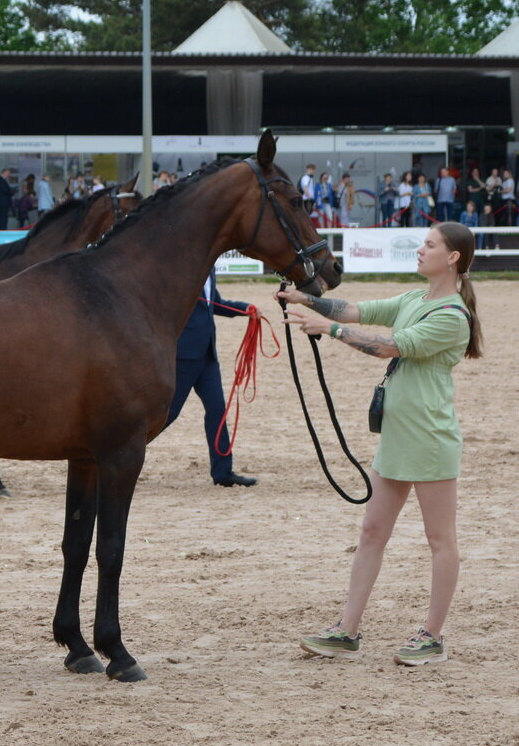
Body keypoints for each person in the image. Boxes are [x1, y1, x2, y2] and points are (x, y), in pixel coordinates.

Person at [279, 221, 482, 667]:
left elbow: (391, 346)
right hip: (398, 434)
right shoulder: (415, 299)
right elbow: (357, 310)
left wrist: (325, 329)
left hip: (429, 438)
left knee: (439, 539)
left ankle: (432, 636)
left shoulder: (450, 316)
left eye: (429, 245)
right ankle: (346, 630)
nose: (420, 249)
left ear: (452, 257)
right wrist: (306, 300)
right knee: (372, 532)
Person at [165, 267, 257, 488]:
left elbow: (215, 303)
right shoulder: (180, 272)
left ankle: (223, 472)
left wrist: (245, 309)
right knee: (167, 414)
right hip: (184, 354)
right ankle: (118, 456)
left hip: (207, 355)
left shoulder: (208, 269)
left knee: (217, 411)